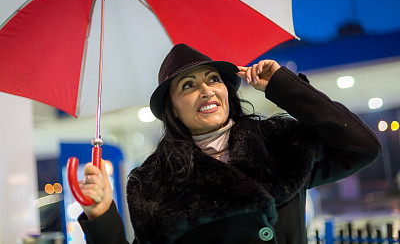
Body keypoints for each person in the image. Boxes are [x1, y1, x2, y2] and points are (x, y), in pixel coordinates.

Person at [78, 43, 381, 243]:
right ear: (171, 108)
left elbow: (360, 146)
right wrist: (101, 215)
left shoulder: (278, 142)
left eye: (213, 79)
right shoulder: (154, 181)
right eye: (189, 85)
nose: (207, 91)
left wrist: (284, 86)